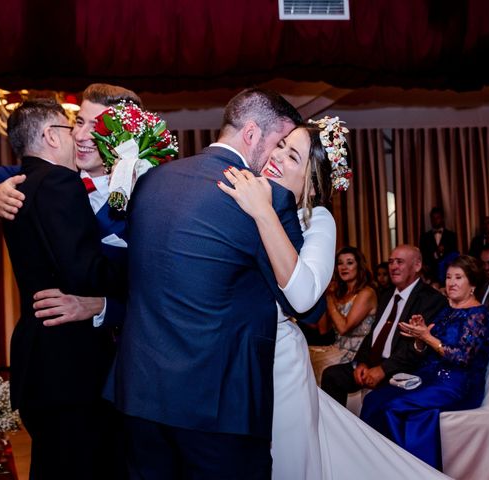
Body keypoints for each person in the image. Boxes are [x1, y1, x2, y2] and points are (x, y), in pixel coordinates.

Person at [218, 119, 448, 479]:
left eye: (292, 155)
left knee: (288, 463)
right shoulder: (250, 193)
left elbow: (303, 297)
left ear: (311, 183)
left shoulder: (316, 219)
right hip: (237, 355)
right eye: (279, 145)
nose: (276, 156)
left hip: (279, 361)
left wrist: (263, 212)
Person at [104, 88, 307, 479]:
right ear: (251, 135)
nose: (278, 156)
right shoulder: (262, 197)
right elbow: (305, 304)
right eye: (278, 143)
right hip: (217, 404)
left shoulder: (152, 180)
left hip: (140, 392)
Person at [0, 99, 126, 479]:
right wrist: (143, 267)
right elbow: (83, 270)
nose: (79, 138)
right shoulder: (58, 181)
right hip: (71, 363)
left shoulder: (18, 186)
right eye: (72, 129)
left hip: (41, 359)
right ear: (52, 136)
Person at [0, 83, 142, 327]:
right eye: (79, 122)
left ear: (125, 138)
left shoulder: (145, 194)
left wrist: (104, 306)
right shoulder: (48, 178)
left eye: (99, 127)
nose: (80, 136)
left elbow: (156, 284)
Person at [361, 255, 489, 470]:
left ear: (472, 284)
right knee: (374, 399)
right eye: (448, 277)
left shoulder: (478, 316)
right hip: (431, 379)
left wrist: (428, 338)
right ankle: (375, 466)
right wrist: (419, 338)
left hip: (459, 386)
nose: (451, 282)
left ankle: (408, 470)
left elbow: (462, 357)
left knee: (394, 407)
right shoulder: (448, 311)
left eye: (458, 277)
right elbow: (427, 350)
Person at [321, 244, 447, 407]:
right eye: (391, 262)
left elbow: (415, 350)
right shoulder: (386, 295)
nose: (393, 267)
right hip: (373, 363)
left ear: (417, 266)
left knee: (376, 401)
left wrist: (383, 370)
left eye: (400, 262)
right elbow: (373, 334)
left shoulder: (431, 299)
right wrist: (361, 362)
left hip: (400, 369)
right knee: (332, 375)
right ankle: (334, 431)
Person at [309, 246, 377, 384]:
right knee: (303, 354)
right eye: (340, 263)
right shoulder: (339, 294)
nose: (344, 267)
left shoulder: (366, 293)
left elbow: (344, 328)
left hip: (356, 353)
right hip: (337, 347)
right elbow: (323, 329)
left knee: (311, 363)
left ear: (359, 266)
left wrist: (328, 296)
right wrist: (325, 293)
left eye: (349, 262)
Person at [419, 206, 459, 284]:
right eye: (433, 218)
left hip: (448, 274)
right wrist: (435, 254)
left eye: (438, 218)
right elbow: (423, 256)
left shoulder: (451, 236)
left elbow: (454, 254)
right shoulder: (424, 237)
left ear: (442, 218)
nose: (435, 220)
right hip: (430, 275)